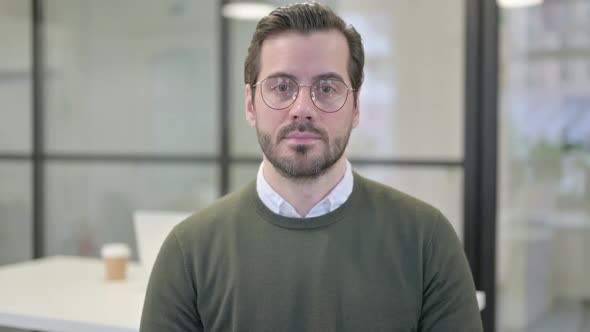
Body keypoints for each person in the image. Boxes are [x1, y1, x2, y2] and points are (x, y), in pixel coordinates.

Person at [140, 2, 483, 331]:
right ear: (250, 104)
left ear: (357, 106)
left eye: (327, 88)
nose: (302, 108)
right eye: (281, 87)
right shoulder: (189, 251)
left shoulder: (426, 240)